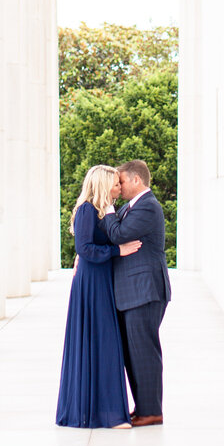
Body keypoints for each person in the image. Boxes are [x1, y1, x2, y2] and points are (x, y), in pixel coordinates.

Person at [55, 165, 143, 429]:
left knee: (106, 343)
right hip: (91, 284)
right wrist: (118, 251)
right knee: (100, 342)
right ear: (104, 185)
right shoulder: (87, 210)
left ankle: (108, 412)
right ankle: (103, 415)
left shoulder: (104, 211)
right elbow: (84, 248)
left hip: (102, 280)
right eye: (115, 183)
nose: (120, 187)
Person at [104, 159, 171, 426]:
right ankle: (143, 407)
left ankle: (152, 411)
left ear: (136, 180)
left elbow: (118, 235)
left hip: (145, 290)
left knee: (144, 350)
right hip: (133, 292)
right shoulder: (132, 207)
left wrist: (107, 208)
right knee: (134, 352)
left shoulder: (147, 207)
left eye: (120, 181)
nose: (118, 187)